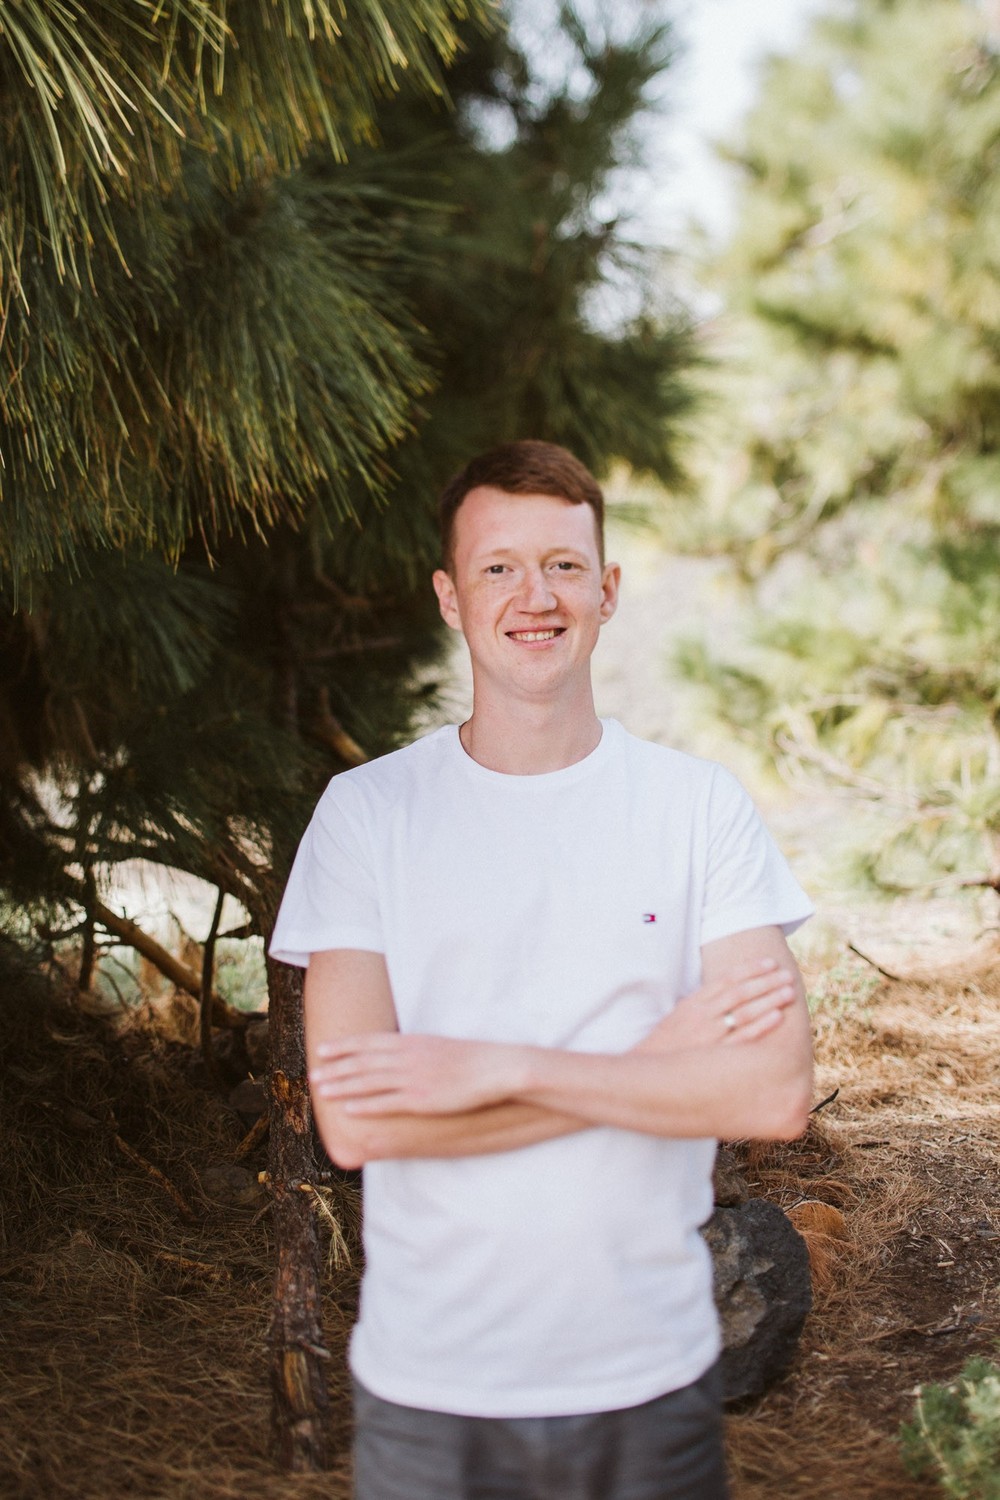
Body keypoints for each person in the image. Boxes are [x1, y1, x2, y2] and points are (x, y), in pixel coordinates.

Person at [269, 439, 814, 1500]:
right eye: (499, 567)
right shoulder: (367, 815)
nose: (536, 596)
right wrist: (653, 1066)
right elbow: (360, 1125)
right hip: (430, 1399)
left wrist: (496, 1069)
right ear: (450, 596)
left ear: (607, 591)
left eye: (564, 565)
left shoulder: (698, 807)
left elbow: (771, 1092)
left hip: (652, 1386)